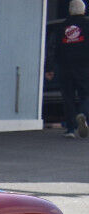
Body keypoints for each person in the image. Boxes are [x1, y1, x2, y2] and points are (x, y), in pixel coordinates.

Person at [53, 0, 89, 138]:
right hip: (84, 66)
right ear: (83, 10)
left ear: (70, 10)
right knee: (86, 94)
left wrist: (51, 67)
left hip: (65, 67)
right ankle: (83, 114)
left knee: (68, 98)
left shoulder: (62, 26)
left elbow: (55, 47)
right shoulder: (87, 25)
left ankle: (70, 129)